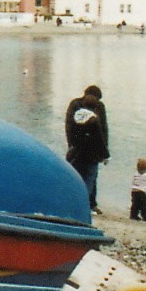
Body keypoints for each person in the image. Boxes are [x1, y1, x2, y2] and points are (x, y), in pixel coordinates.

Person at [63, 84, 109, 213]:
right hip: (91, 150)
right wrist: (104, 152)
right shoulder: (98, 107)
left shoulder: (75, 104)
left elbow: (69, 126)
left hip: (76, 148)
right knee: (90, 177)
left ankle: (84, 203)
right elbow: (103, 130)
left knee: (76, 176)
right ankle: (86, 204)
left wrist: (71, 144)